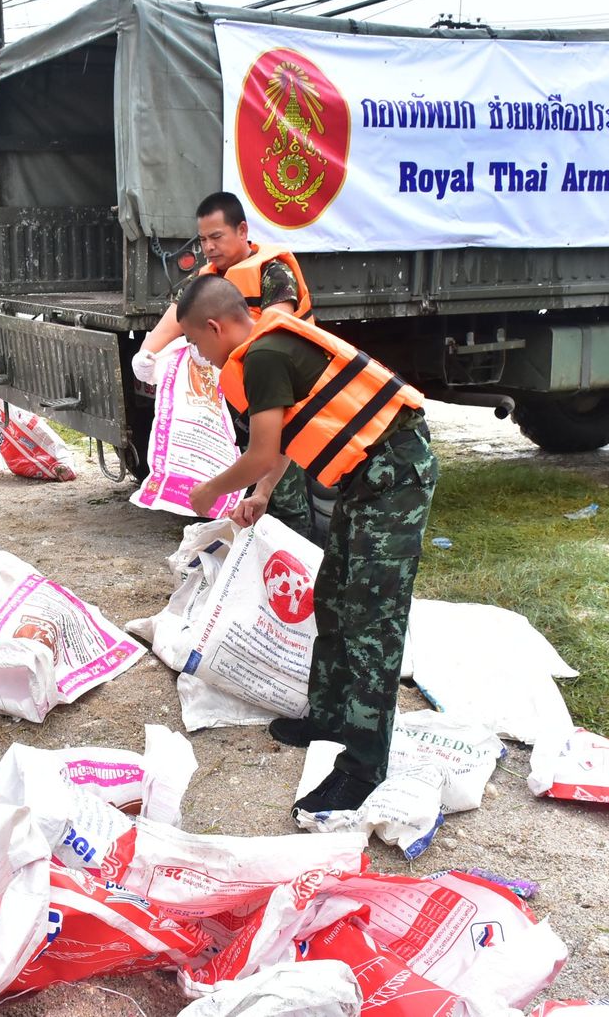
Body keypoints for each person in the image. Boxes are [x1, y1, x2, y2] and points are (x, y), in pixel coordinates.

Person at [180, 275, 437, 816]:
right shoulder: (269, 349)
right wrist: (261, 494)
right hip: (367, 477)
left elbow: (259, 449)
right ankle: (328, 715)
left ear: (214, 326)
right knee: (333, 597)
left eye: (196, 343)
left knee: (373, 621)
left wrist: (209, 489)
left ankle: (364, 768)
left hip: (395, 476)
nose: (199, 355)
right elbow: (284, 448)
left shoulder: (263, 357)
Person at [135, 191, 320, 542]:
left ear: (242, 230)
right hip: (233, 395)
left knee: (282, 489)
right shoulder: (207, 278)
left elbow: (273, 329)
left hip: (277, 386)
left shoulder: (273, 272)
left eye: (216, 237)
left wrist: (230, 354)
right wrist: (147, 353)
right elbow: (179, 313)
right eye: (203, 239)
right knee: (246, 482)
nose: (208, 247)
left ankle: (298, 553)